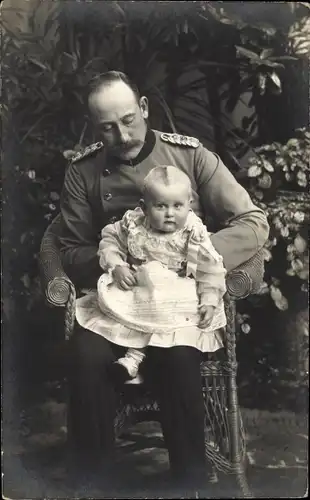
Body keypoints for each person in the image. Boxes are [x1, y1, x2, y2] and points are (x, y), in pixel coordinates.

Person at [58, 70, 269, 491]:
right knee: (86, 357)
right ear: (94, 127)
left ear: (145, 109)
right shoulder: (83, 173)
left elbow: (253, 223)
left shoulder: (191, 158)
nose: (121, 134)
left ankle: (187, 482)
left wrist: (190, 260)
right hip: (122, 299)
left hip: (179, 305)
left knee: (179, 360)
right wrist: (119, 265)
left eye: (128, 120)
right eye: (107, 127)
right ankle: (92, 483)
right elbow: (68, 248)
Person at [75, 165, 227, 385]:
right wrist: (117, 266)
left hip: (175, 291)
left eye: (177, 206)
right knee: (129, 316)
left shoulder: (192, 232)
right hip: (141, 286)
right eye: (161, 206)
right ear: (144, 207)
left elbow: (210, 268)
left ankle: (135, 360)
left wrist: (210, 300)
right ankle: (132, 359)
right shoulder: (134, 224)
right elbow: (109, 241)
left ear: (189, 204)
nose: (170, 214)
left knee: (170, 326)